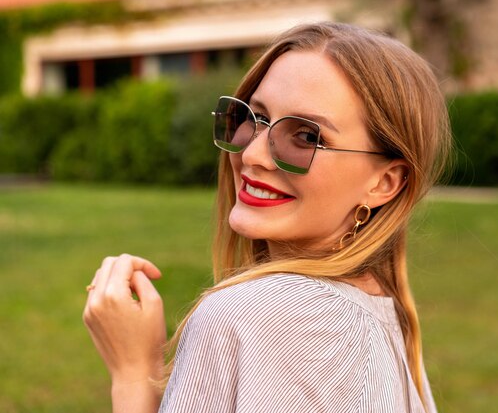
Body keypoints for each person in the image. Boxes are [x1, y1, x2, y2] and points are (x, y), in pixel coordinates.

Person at [83, 21, 451, 413]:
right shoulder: (386, 317)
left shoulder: (249, 315)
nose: (253, 155)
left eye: (307, 137)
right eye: (254, 118)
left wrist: (134, 374)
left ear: (385, 181)